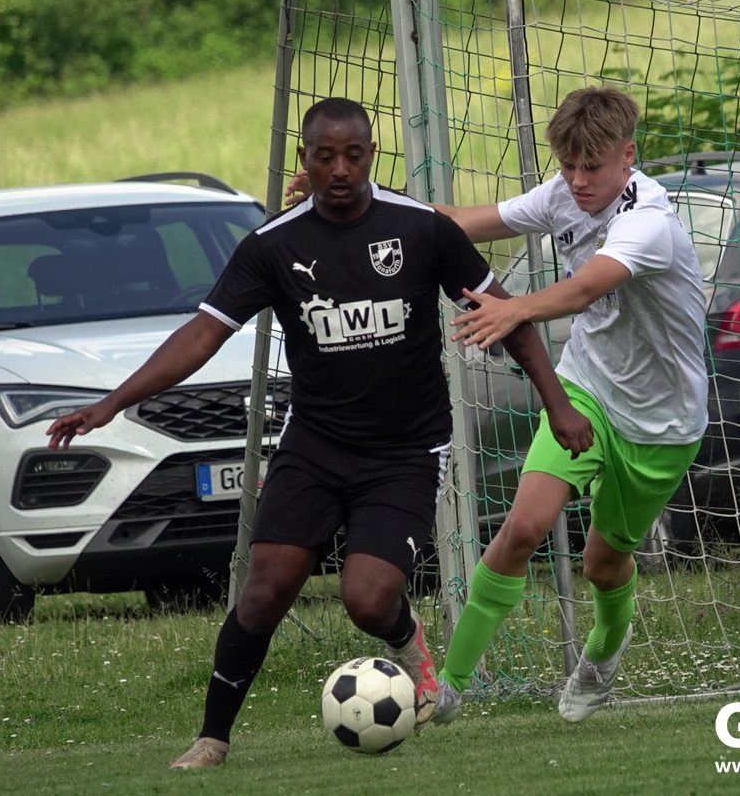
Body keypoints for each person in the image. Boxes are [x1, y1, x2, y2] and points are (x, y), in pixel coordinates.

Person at [46, 96, 589, 769]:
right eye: (325, 156)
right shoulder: (274, 244)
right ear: (304, 158)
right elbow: (202, 334)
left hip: (407, 448)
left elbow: (509, 317)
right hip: (315, 445)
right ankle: (212, 737)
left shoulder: (421, 229)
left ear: (371, 155)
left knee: (367, 598)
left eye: (353, 155)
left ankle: (408, 642)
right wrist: (110, 404)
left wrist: (556, 405)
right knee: (266, 588)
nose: (340, 169)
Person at [425, 86, 709, 724]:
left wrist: (514, 309)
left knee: (603, 567)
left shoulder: (649, 221)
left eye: (592, 167)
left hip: (662, 422)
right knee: (524, 527)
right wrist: (360, 203)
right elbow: (460, 220)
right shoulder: (561, 193)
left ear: (627, 156)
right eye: (568, 165)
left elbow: (583, 290)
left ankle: (602, 656)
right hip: (586, 388)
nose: (578, 181)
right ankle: (449, 685)